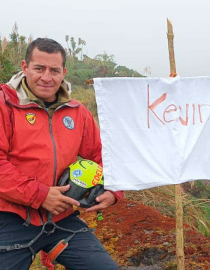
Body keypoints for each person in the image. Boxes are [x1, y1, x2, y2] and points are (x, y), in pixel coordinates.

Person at [0, 38, 122, 269]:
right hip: (10, 217)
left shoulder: (78, 112)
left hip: (61, 217)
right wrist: (41, 195)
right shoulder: (4, 105)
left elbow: (100, 155)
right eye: (39, 68)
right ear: (25, 67)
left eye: (54, 70)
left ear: (63, 72)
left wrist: (114, 190)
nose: (47, 77)